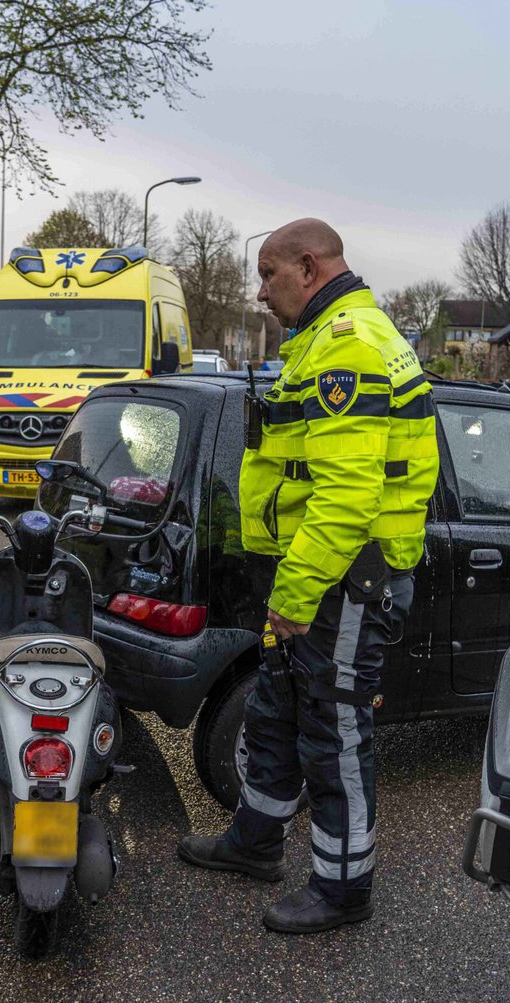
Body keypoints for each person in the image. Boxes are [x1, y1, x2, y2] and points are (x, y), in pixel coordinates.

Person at [177, 219, 440, 933]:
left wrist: (294, 596)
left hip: (343, 582)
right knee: (277, 711)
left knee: (333, 729)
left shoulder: (348, 345)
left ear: (310, 265)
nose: (259, 291)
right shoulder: (325, 339)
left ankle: (343, 888)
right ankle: (255, 842)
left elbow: (347, 496)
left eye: (268, 274)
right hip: (316, 574)